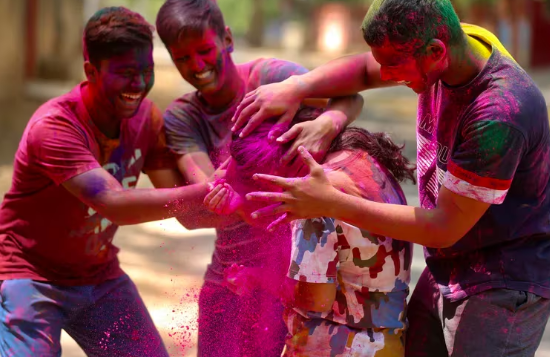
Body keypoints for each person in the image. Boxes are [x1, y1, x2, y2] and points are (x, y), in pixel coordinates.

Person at [231, 1, 550, 356]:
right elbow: (366, 72)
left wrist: (331, 202)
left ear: (436, 51)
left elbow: (443, 226)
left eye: (394, 66)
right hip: (453, 259)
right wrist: (297, 87)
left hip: (503, 278)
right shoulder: (463, 41)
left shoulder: (499, 113)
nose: (383, 76)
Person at [0, 7, 223, 357]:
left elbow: (186, 211)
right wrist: (210, 191)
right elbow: (114, 204)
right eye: (126, 73)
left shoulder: (145, 119)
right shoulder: (56, 127)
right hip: (31, 277)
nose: (138, 84)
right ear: (91, 71)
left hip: (99, 277)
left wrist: (249, 198)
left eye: (146, 71)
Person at [154, 0, 363, 356]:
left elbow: (350, 96)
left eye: (205, 50)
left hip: (311, 269)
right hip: (236, 276)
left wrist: (327, 124)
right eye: (183, 58)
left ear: (228, 39)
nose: (197, 66)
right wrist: (231, 201)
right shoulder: (183, 119)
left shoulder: (272, 79)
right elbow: (211, 193)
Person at [205, 120, 416, 356]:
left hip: (340, 347)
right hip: (386, 343)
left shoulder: (313, 201)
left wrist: (257, 277)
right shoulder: (363, 160)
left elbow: (315, 300)